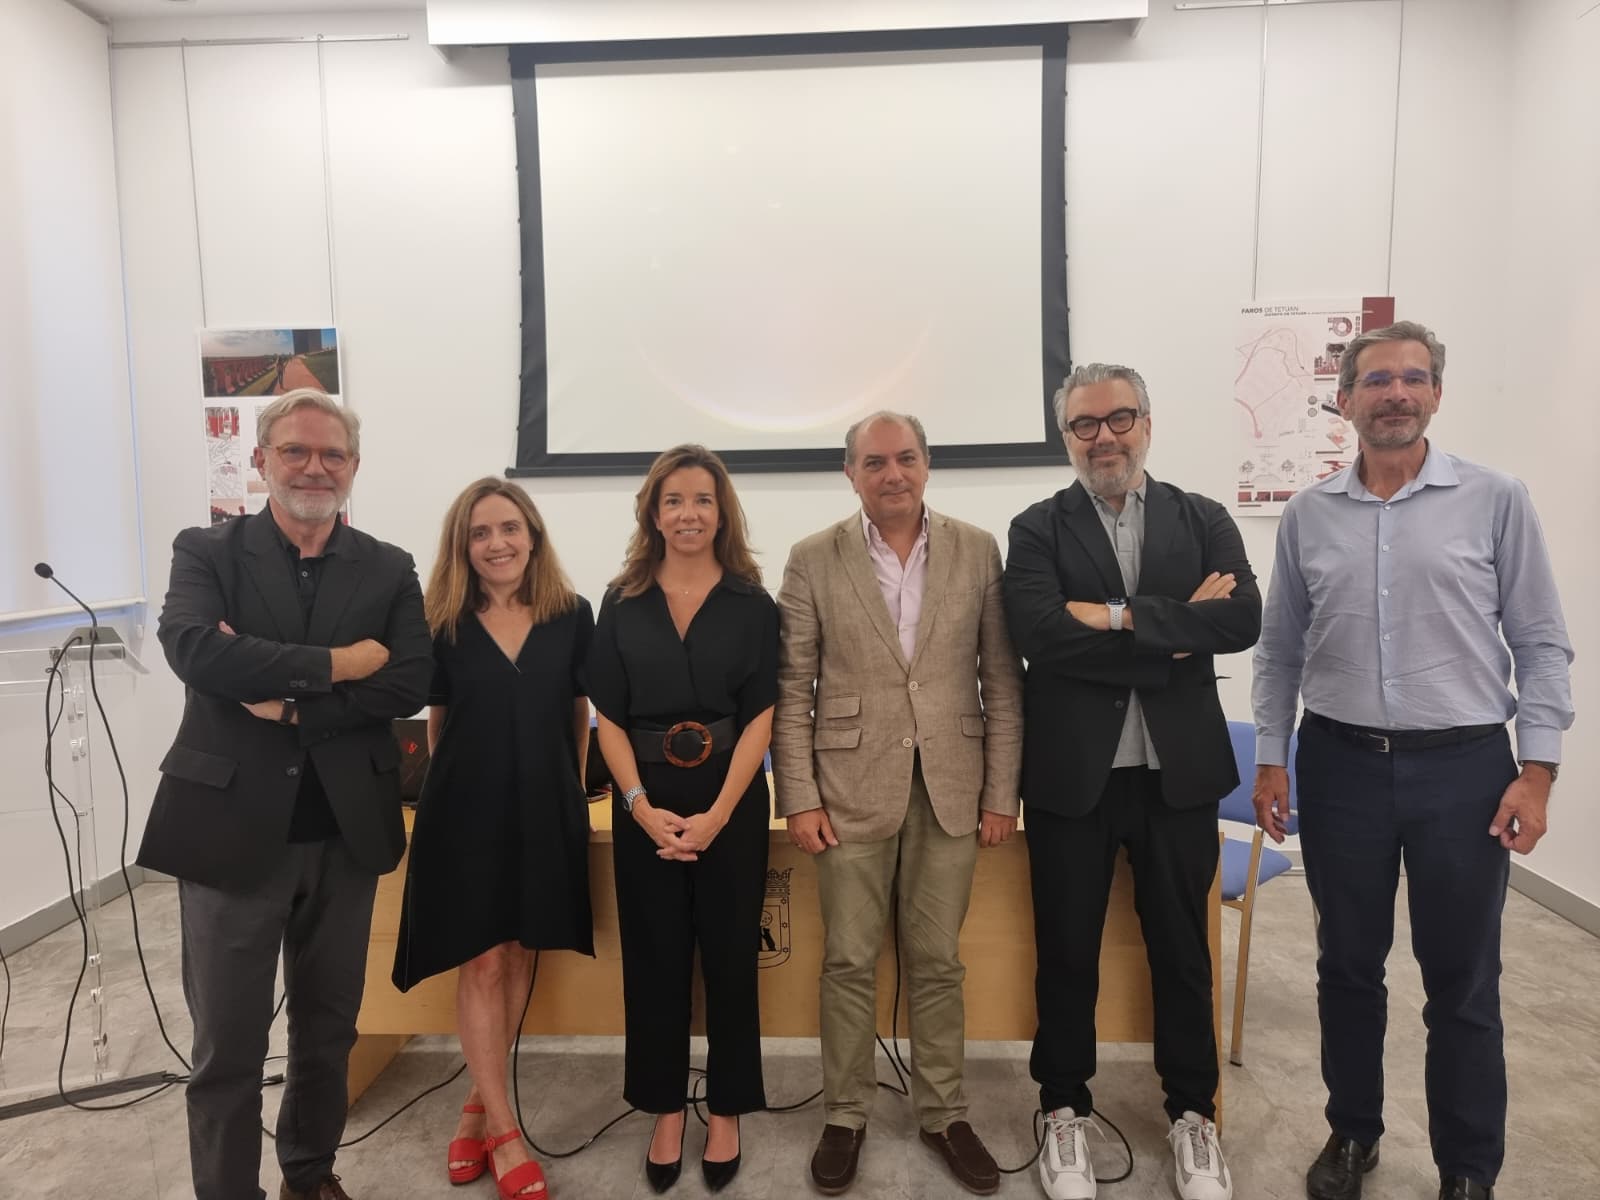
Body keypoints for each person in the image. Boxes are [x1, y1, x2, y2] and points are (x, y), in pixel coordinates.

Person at [1251, 321, 1575, 1200]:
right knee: (1347, 968)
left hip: (1464, 771)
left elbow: (1541, 642)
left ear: (1436, 393)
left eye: (1413, 377)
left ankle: (1468, 1168)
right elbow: (1280, 651)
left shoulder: (1495, 499)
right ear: (1345, 400)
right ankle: (1353, 1133)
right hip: (1340, 765)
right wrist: (1273, 758)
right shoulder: (1309, 514)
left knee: (1462, 981)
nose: (1396, 392)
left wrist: (1537, 771)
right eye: (1377, 379)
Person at [138, 388, 432, 1200]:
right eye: (296, 451)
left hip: (345, 832)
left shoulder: (388, 566)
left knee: (329, 1031)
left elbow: (410, 679)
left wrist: (290, 700)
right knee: (228, 1046)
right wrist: (343, 664)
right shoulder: (207, 551)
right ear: (261, 459)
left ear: (354, 466)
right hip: (228, 833)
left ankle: (310, 1173)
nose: (314, 467)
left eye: (332, 454)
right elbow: (196, 651)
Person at [1003, 364, 1260, 1200]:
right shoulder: (1037, 528)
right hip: (1073, 778)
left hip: (1176, 777)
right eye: (1085, 424)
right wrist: (1171, 627)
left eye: (1119, 418)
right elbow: (1041, 634)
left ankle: (1193, 1115)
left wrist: (1110, 617)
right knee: (1066, 953)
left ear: (1147, 422)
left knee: (1183, 954)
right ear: (1066, 436)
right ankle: (1063, 1108)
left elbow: (1240, 620)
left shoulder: (1203, 517)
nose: (1103, 436)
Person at [772, 411, 1023, 1197]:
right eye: (875, 462)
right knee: (847, 960)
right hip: (846, 790)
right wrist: (798, 797)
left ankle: (943, 1113)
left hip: (952, 785)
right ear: (850, 473)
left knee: (938, 961)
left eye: (906, 458)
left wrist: (1001, 793)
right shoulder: (813, 557)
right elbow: (792, 689)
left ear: (927, 464)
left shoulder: (977, 549)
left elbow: (1001, 679)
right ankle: (845, 1114)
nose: (893, 474)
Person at [391, 478, 594, 1199]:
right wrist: (452, 799)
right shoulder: (441, 621)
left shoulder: (572, 614)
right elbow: (438, 724)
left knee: (516, 952)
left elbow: (578, 714)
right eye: (480, 532)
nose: (496, 543)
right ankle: (507, 1134)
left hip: (545, 807)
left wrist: (570, 794)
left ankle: (478, 1101)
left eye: (509, 528)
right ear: (463, 545)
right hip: (464, 811)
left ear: (532, 536)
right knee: (480, 958)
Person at [586, 444, 778, 1195]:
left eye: (702, 499)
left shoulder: (752, 603)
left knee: (730, 958)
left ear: (721, 512)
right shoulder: (621, 600)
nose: (688, 513)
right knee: (655, 958)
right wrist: (638, 807)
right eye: (673, 500)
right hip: (645, 799)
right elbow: (607, 715)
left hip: (732, 796)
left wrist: (721, 814)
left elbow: (761, 715)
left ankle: (726, 1109)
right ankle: (665, 1108)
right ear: (653, 513)